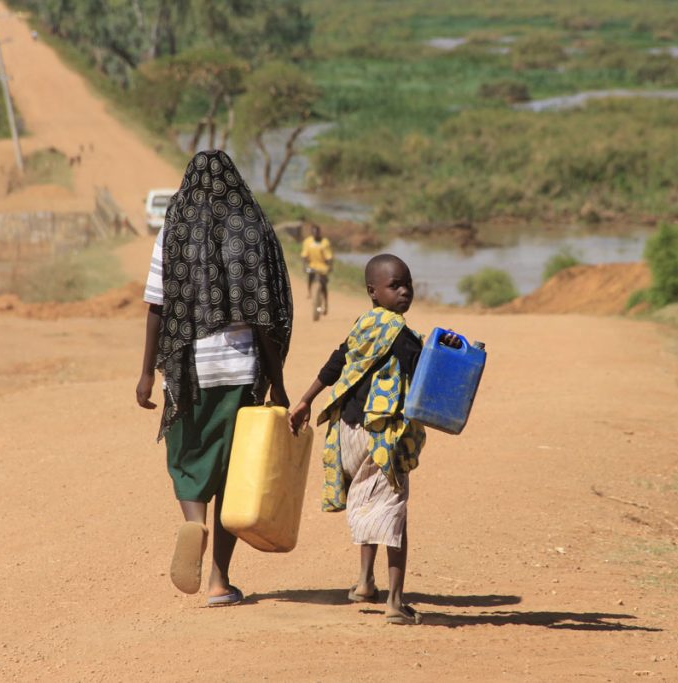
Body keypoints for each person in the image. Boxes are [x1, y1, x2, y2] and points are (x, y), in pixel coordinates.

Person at [136, 150, 293, 607]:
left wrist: (147, 372)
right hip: (240, 367)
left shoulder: (173, 230)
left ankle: (194, 522)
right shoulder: (251, 228)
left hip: (188, 367)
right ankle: (219, 582)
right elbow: (265, 313)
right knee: (232, 470)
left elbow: (156, 306)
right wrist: (277, 379)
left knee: (188, 454)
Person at [289, 254, 457, 626]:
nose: (404, 291)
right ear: (373, 291)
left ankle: (365, 582)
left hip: (347, 433)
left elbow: (335, 364)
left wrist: (305, 400)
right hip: (380, 438)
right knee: (393, 513)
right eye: (395, 285)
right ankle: (395, 601)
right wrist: (438, 348)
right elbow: (426, 372)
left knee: (366, 504)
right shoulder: (398, 332)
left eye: (408, 284)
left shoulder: (363, 324)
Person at [300, 224, 333, 313]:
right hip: (312, 265)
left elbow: (329, 257)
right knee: (310, 276)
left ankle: (325, 303)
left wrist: (330, 267)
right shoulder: (307, 242)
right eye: (314, 232)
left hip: (322, 266)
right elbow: (304, 255)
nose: (315, 234)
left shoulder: (324, 242)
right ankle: (310, 291)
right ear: (312, 233)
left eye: (317, 232)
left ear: (319, 233)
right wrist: (304, 266)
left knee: (323, 285)